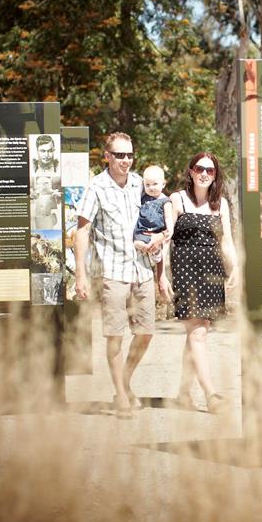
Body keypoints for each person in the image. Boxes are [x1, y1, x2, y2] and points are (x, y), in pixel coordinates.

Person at [74, 132, 169, 419]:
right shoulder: (97, 187)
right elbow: (82, 230)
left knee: (146, 332)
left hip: (142, 269)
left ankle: (123, 382)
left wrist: (161, 239)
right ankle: (122, 398)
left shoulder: (142, 183)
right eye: (119, 155)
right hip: (113, 271)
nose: (125, 160)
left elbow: (163, 217)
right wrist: (80, 274)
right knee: (114, 335)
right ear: (107, 156)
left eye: (129, 155)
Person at [159, 152, 237, 413]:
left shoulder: (220, 205)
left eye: (210, 170)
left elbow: (226, 241)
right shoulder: (177, 199)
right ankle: (211, 394)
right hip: (186, 271)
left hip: (212, 271)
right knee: (199, 333)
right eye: (200, 169)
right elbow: (166, 239)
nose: (205, 174)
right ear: (191, 171)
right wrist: (162, 275)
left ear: (215, 175)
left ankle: (183, 393)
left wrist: (234, 267)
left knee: (197, 334)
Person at [133, 165, 174, 264]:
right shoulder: (143, 198)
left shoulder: (165, 201)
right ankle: (143, 246)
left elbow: (168, 218)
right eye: (147, 185)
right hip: (142, 231)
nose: (151, 187)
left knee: (155, 244)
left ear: (163, 184)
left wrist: (170, 229)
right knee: (137, 242)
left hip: (156, 232)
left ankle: (156, 251)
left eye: (155, 184)